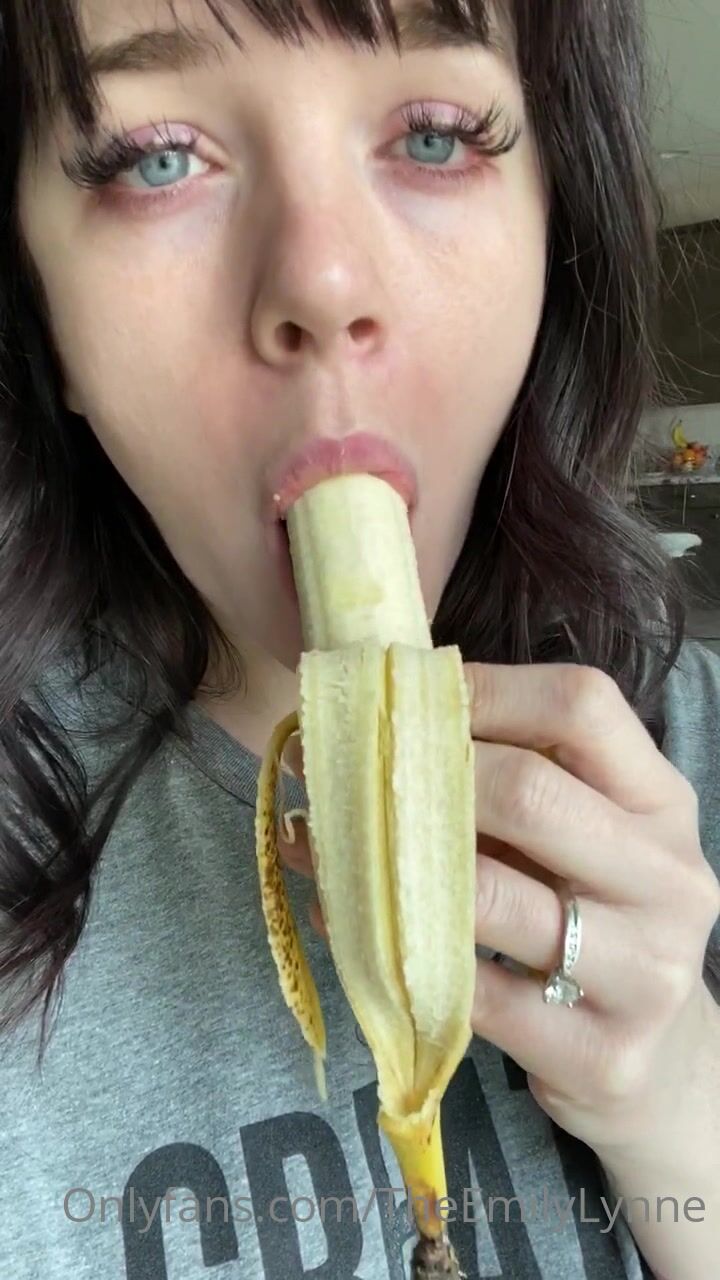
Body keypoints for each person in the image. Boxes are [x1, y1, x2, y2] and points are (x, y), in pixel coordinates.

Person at [0, 0, 718, 1277]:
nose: (323, 285)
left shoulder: (694, 737)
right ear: (38, 314)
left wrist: (676, 1095)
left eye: (436, 136)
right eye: (154, 157)